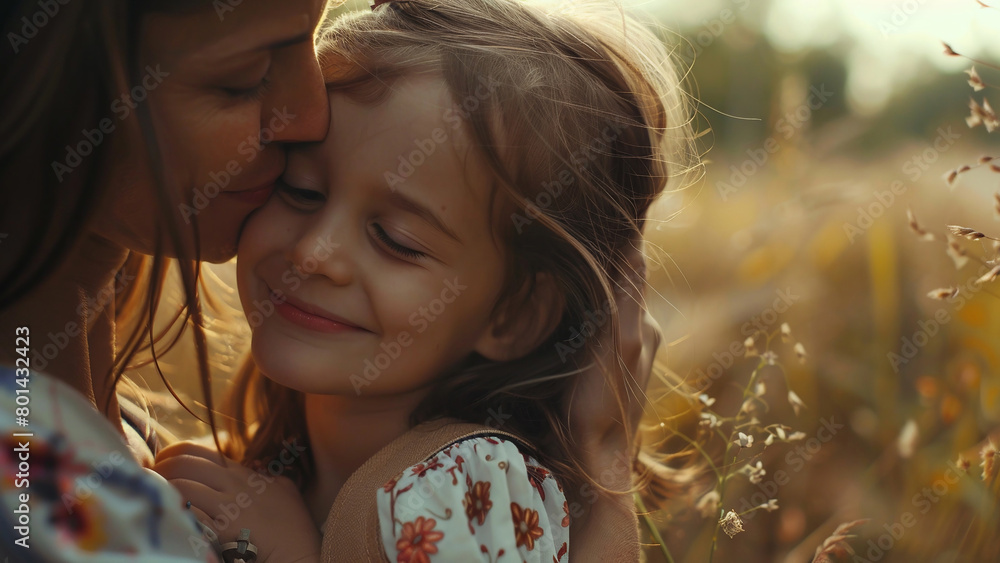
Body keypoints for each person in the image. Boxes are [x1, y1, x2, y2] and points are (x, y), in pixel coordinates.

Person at [154, 0, 695, 560]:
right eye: (301, 191)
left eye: (395, 240)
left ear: (514, 315)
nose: (315, 253)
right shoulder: (263, 467)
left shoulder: (468, 487)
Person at [0, 1, 333, 560]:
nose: (312, 112)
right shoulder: (32, 501)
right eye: (243, 80)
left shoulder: (109, 430)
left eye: (315, 40)